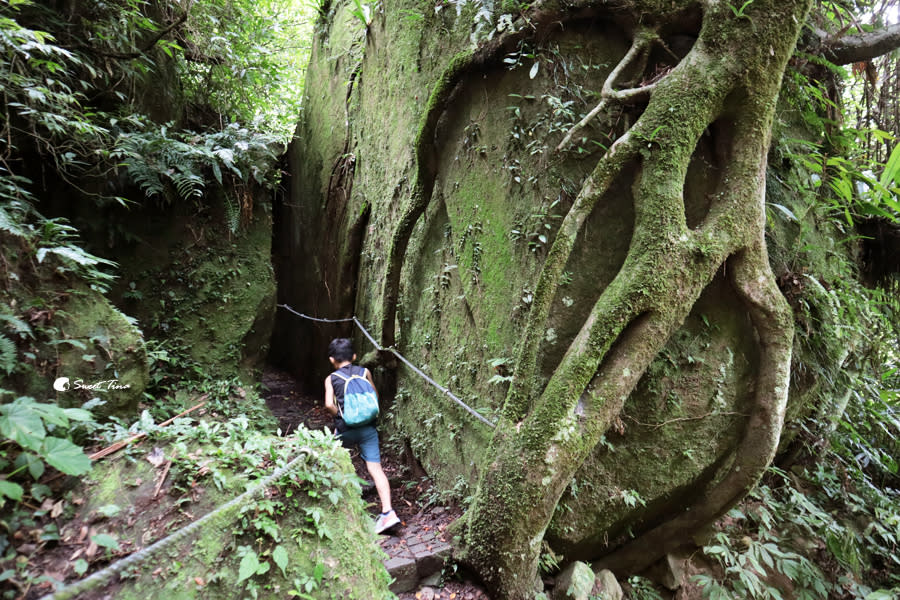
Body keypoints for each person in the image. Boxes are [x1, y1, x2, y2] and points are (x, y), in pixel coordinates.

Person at [324, 338, 400, 534]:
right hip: (368, 429)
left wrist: (342, 416)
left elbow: (329, 405)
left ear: (332, 359)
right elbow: (374, 396)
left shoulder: (331, 379)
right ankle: (388, 513)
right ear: (355, 357)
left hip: (345, 430)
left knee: (334, 463)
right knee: (376, 469)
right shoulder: (365, 372)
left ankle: (343, 510)